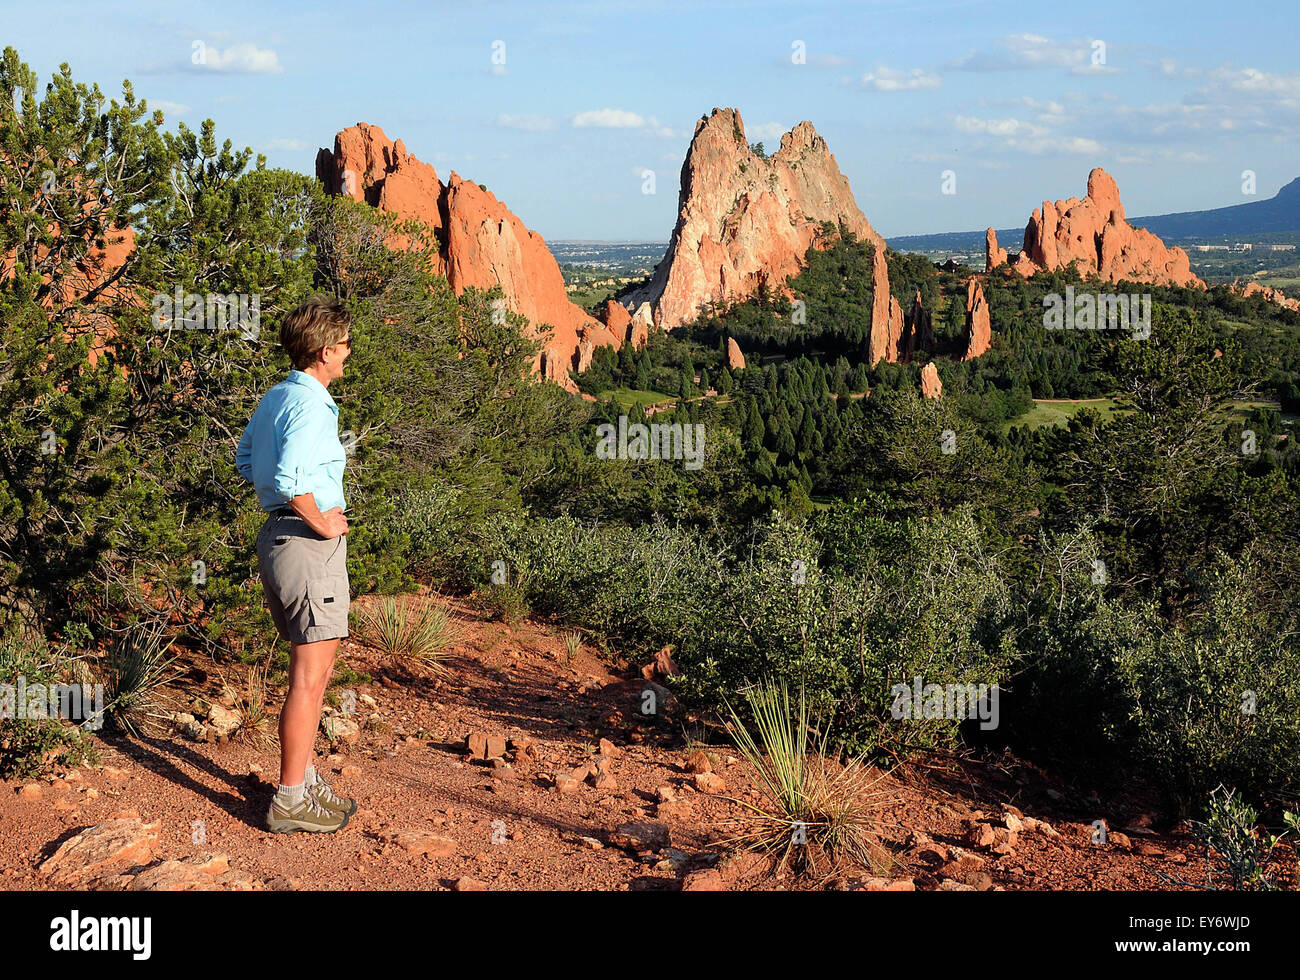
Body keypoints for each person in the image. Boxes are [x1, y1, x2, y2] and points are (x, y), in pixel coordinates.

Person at [236, 297, 356, 833]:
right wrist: (322, 521)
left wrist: (286, 504)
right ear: (327, 350)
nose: (350, 353)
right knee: (309, 680)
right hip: (306, 544)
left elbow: (246, 461)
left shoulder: (278, 396)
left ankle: (304, 781)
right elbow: (289, 478)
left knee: (316, 672)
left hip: (281, 540)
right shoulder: (309, 405)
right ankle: (290, 800)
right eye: (346, 344)